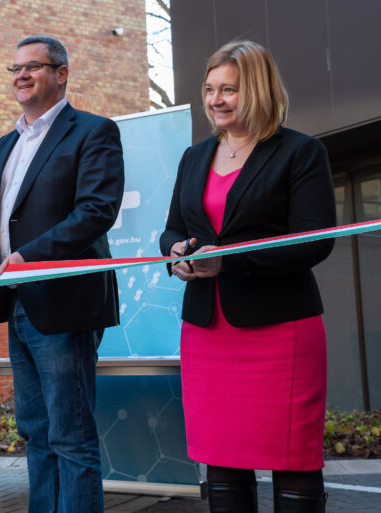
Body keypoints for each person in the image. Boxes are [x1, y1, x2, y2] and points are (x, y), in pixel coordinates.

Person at [0, 36, 124, 513]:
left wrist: (31, 254)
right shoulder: (8, 143)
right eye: (15, 68)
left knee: (70, 434)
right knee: (36, 432)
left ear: (61, 74)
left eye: (33, 66)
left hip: (64, 304)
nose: (21, 75)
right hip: (15, 301)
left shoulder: (93, 132)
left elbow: (96, 211)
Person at [160, 40, 335, 512]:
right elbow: (173, 228)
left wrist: (228, 261)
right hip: (207, 331)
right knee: (221, 458)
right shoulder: (194, 157)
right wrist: (174, 253)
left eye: (229, 90)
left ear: (257, 90)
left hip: (280, 329)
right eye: (209, 89)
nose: (215, 100)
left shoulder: (301, 152)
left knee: (293, 458)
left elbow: (315, 241)